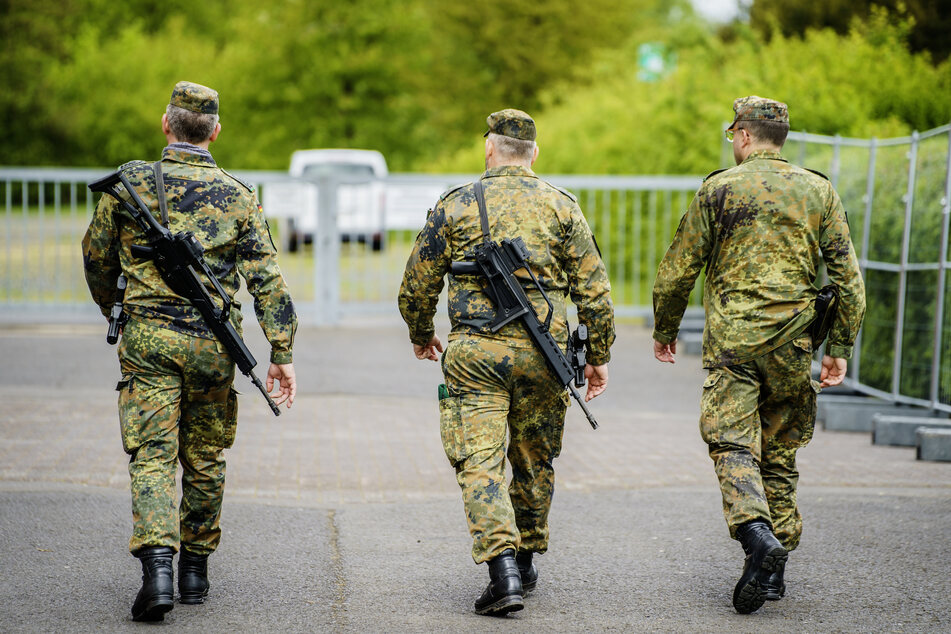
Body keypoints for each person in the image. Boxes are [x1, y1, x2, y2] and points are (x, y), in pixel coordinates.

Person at [82, 81, 298, 622]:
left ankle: (157, 572)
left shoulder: (130, 184)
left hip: (148, 341)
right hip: (211, 346)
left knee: (152, 456)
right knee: (205, 456)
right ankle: (194, 571)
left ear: (166, 124)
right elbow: (268, 282)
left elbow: (97, 258)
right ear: (216, 132)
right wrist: (281, 350)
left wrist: (115, 305)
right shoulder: (239, 195)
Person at [651, 96, 866, 614]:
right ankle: (774, 566)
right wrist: (839, 347)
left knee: (731, 442)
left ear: (743, 136)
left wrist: (665, 329)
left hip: (733, 345)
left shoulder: (718, 190)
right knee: (781, 453)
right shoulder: (819, 191)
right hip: (794, 343)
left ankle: (756, 537)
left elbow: (677, 272)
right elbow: (850, 283)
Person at [398, 109, 615, 616]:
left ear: (489, 149)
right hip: (545, 356)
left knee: (481, 461)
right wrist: (598, 357)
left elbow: (416, 285)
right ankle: (527, 556)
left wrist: (421, 333)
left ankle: (503, 572)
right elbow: (596, 293)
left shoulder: (455, 205)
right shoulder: (563, 207)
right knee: (534, 459)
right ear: (534, 154)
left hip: (475, 354)